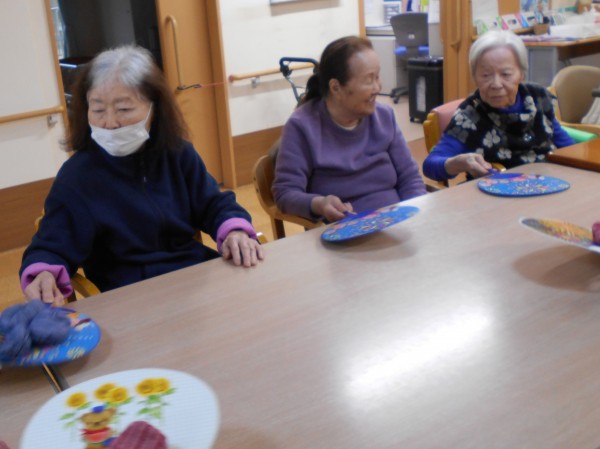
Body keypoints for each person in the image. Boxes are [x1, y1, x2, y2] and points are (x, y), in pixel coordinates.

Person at [20, 45, 264, 306]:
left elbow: (214, 204)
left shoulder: (177, 153)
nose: (110, 123)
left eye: (124, 109)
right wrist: (43, 272)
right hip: (130, 293)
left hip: (194, 275)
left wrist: (235, 230)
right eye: (98, 110)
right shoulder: (78, 176)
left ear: (153, 109)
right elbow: (52, 242)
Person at [272, 36, 426, 224]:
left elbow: (410, 178)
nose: (378, 87)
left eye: (377, 77)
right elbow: (285, 193)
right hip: (346, 232)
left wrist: (417, 218)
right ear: (336, 88)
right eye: (369, 80)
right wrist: (320, 203)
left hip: (398, 222)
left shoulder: (384, 116)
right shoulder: (302, 126)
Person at [423, 30, 575, 182]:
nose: (496, 84)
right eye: (486, 75)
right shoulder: (469, 114)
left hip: (549, 183)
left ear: (521, 74)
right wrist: (458, 163)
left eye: (506, 74)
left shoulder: (538, 98)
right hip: (500, 189)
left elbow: (567, 147)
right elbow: (430, 165)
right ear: (474, 77)